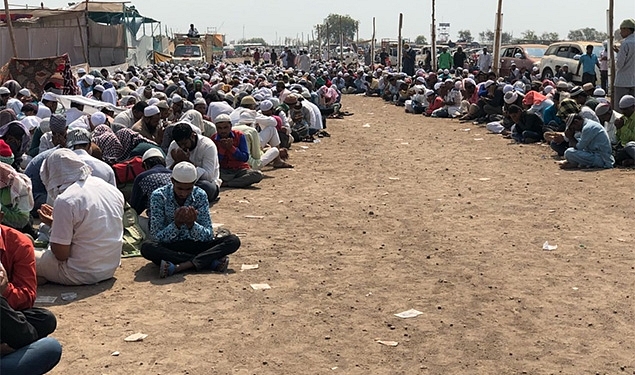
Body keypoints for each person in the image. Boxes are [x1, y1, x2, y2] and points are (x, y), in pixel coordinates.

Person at [35, 149, 124, 285]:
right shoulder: (110, 189)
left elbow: (61, 255)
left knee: (23, 254)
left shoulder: (66, 200)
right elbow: (89, 230)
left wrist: (54, 226)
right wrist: (56, 222)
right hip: (109, 268)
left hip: (79, 273)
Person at [140, 162, 241, 278]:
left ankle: (181, 266)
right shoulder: (159, 196)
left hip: (196, 244)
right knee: (147, 247)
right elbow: (156, 236)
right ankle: (208, 262)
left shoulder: (200, 195)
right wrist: (176, 225)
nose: (184, 193)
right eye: (180, 188)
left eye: (188, 189)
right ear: (173, 181)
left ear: (194, 184)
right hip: (172, 246)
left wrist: (192, 225)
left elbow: (208, 235)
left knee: (233, 240)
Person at [166, 122, 221, 203]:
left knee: (207, 187)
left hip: (200, 183)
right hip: (179, 183)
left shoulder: (207, 146)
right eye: (180, 144)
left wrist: (187, 162)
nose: (182, 147)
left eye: (185, 143)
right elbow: (167, 171)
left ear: (192, 136)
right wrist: (176, 162)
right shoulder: (174, 145)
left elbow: (209, 176)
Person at [212, 117, 264, 188]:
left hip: (240, 170)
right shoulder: (213, 139)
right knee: (211, 176)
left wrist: (231, 148)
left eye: (225, 127)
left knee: (257, 175)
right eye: (220, 128)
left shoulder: (239, 136)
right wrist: (222, 149)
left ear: (230, 126)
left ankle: (227, 183)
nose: (223, 131)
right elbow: (214, 162)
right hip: (223, 171)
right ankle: (237, 182)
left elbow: (245, 157)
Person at [130, 148, 172, 217]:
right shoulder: (173, 174)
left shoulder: (143, 177)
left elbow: (135, 207)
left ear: (145, 164)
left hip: (156, 220)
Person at [614, 18, 635, 109]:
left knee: (620, 108)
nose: (620, 33)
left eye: (621, 30)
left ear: (627, 29)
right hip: (633, 81)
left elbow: (619, 64)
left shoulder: (625, 43)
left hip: (622, 81)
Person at [614, 95, 635, 166]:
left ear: (633, 107)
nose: (623, 112)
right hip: (623, 146)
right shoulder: (624, 118)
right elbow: (618, 138)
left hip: (631, 146)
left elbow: (633, 138)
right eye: (622, 109)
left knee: (629, 147)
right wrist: (618, 128)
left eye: (626, 109)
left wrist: (622, 127)